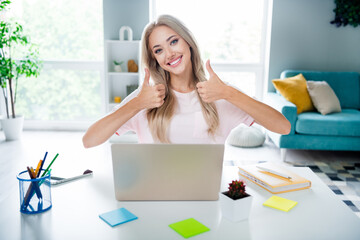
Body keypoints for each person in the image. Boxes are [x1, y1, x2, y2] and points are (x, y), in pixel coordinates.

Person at [83, 15, 290, 148]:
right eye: (158, 50)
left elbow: (283, 127)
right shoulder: (146, 98)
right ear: (155, 59)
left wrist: (229, 93)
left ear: (188, 42)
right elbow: (89, 140)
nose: (169, 53)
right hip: (154, 196)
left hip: (206, 197)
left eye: (173, 41)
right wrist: (136, 103)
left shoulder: (220, 93)